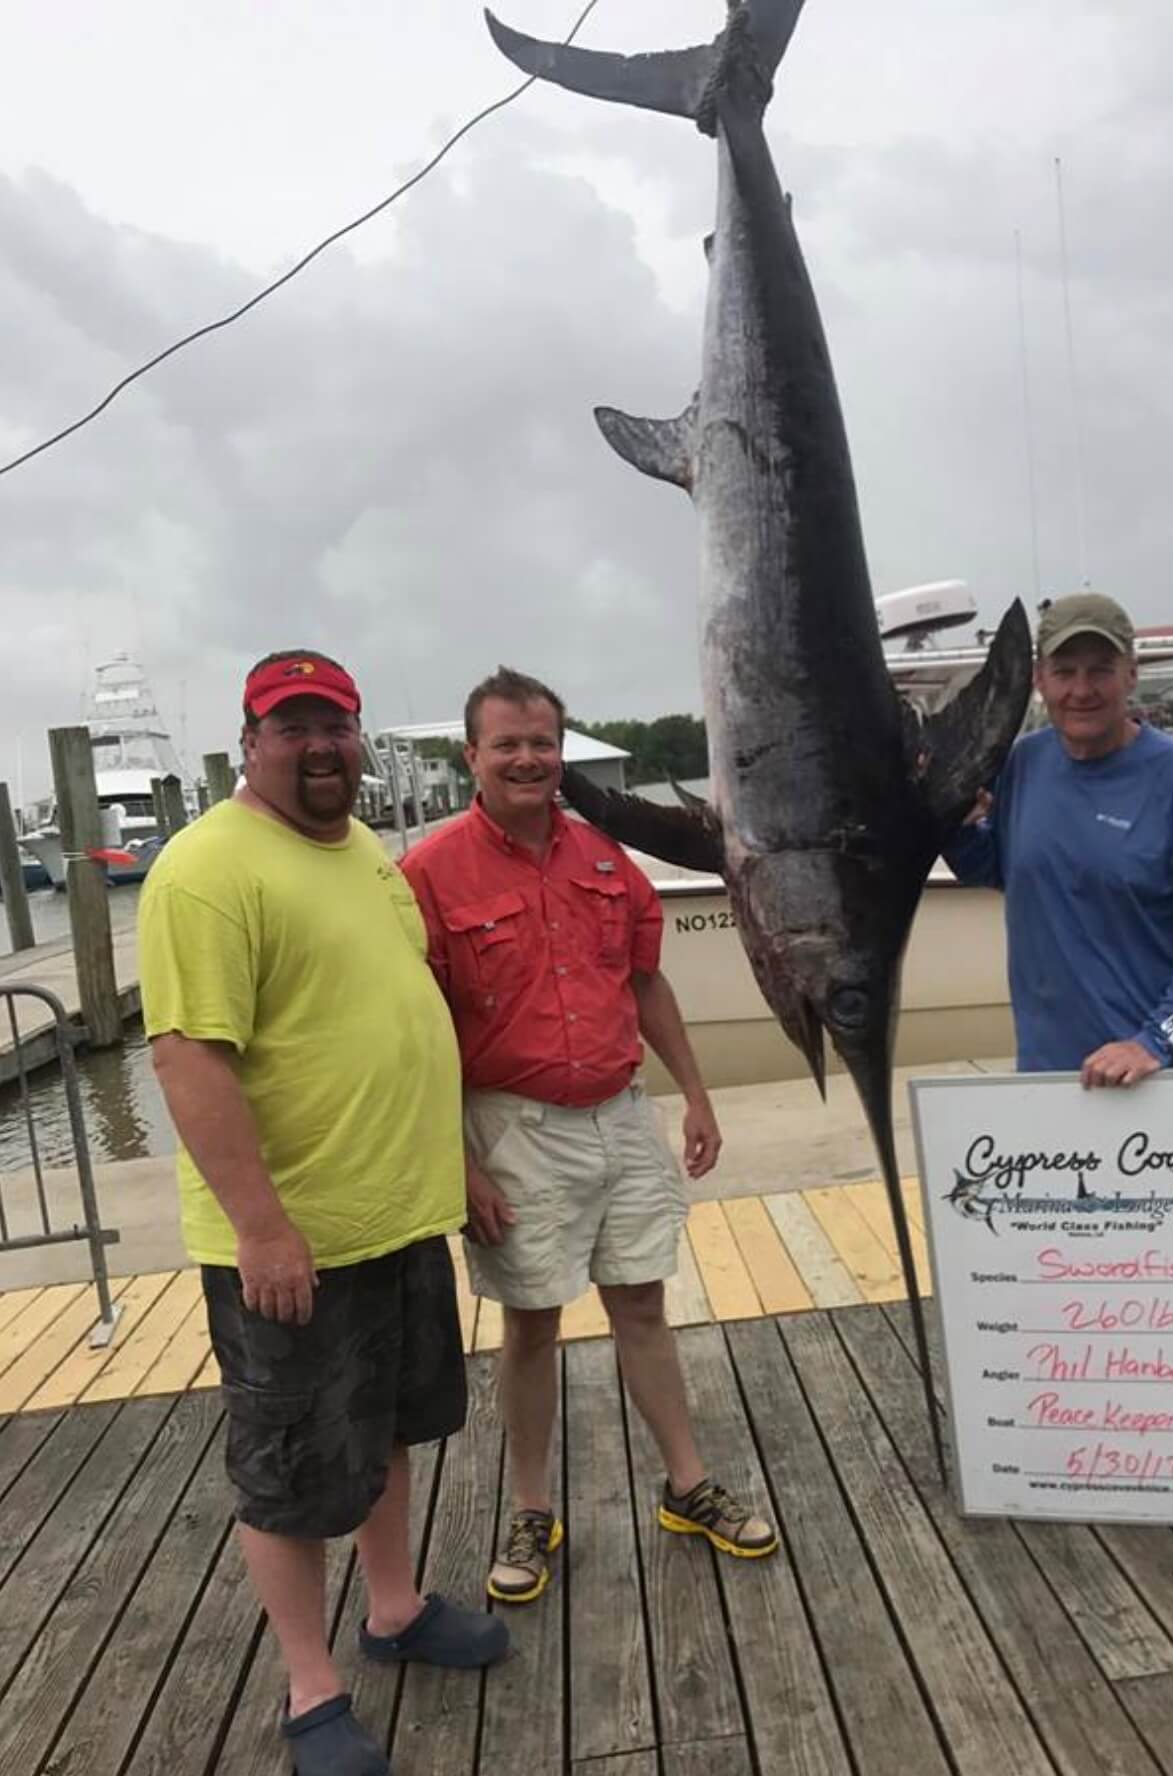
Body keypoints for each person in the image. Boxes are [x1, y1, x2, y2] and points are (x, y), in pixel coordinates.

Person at [140, 650, 508, 1776]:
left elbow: (395, 1017)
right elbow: (188, 1055)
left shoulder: (366, 856)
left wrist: (454, 1161)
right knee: (291, 1471)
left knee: (390, 1431)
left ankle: (393, 1611)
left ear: (359, 738)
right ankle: (311, 1692)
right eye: (290, 728)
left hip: (398, 1216)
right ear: (250, 743)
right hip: (292, 1241)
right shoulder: (205, 869)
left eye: (334, 726)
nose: (318, 748)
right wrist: (262, 1227)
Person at [400, 666, 777, 1606]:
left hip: (620, 1113)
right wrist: (459, 1162)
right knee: (530, 1323)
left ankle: (687, 1483)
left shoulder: (605, 858)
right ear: (472, 757)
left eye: (543, 743)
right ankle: (532, 1507)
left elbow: (645, 983)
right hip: (512, 1127)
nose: (529, 759)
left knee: (643, 1305)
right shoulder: (428, 873)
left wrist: (694, 1093)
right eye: (508, 744)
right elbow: (418, 1031)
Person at [945, 591, 1173, 1085]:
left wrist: (1154, 1042)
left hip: (1163, 1078)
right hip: (1054, 1076)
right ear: (1038, 679)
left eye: (1100, 670)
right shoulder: (1022, 763)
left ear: (1131, 673)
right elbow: (997, 867)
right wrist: (949, 826)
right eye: (1064, 672)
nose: (1081, 690)